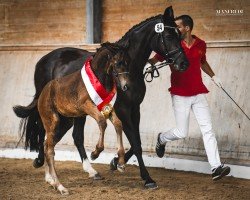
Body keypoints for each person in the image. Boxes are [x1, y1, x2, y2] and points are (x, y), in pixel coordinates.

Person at [148, 15, 230, 180]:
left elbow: (203, 62)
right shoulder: (172, 44)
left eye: (178, 26)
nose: (175, 29)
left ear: (187, 28)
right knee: (181, 132)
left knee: (208, 130)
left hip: (198, 92)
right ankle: (161, 138)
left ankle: (216, 167)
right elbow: (155, 59)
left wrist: (214, 77)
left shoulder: (201, 44)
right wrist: (148, 65)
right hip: (180, 93)